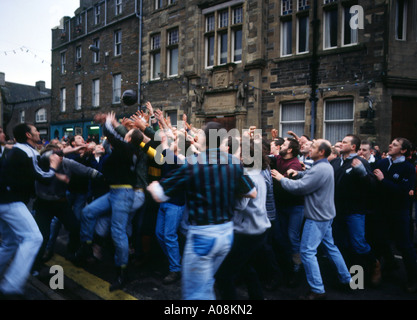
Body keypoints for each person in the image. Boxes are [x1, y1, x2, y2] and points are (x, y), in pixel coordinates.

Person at [147, 122, 257, 300]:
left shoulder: (193, 163)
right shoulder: (234, 163)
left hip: (203, 236)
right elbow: (252, 192)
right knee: (206, 283)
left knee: (196, 294)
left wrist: (153, 186)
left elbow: (159, 194)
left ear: (205, 139)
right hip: (226, 234)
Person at [271, 139, 352, 300]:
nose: (308, 148)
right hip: (326, 215)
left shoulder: (320, 168)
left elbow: (299, 188)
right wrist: (299, 173)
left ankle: (317, 290)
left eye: (313, 147)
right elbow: (308, 175)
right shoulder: (322, 166)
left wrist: (281, 178)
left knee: (307, 252)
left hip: (317, 217)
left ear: (321, 152)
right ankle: (347, 280)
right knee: (330, 247)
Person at [76, 112, 144, 292]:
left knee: (118, 232)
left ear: (129, 139)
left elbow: (113, 136)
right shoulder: (124, 150)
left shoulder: (128, 149)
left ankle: (122, 272)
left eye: (126, 135)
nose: (124, 136)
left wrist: (107, 120)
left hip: (123, 193)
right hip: (114, 191)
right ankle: (87, 248)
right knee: (88, 212)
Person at [0, 123, 61, 298]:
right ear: (28, 134)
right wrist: (55, 168)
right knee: (34, 238)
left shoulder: (22, 150)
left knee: (10, 242)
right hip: (11, 201)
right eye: (35, 131)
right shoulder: (24, 152)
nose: (38, 133)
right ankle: (11, 286)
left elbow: (43, 157)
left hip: (5, 200)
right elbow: (43, 176)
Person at [215, 138, 271, 300]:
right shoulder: (257, 173)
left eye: (241, 155)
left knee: (223, 275)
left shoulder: (248, 177)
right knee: (247, 268)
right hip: (259, 229)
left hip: (247, 232)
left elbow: (240, 205)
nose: (237, 157)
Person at [331, 134, 381, 285]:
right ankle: (351, 279)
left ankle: (375, 264)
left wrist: (363, 173)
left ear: (353, 147)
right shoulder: (335, 162)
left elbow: (372, 186)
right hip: (338, 211)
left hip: (355, 211)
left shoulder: (360, 162)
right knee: (342, 244)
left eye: (344, 143)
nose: (340, 144)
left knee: (358, 244)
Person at [373, 137, 417, 292]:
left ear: (403, 150)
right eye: (391, 143)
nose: (390, 145)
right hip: (382, 212)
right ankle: (387, 267)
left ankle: (412, 279)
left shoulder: (408, 168)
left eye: (395, 145)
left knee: (404, 246)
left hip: (399, 212)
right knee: (380, 241)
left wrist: (384, 180)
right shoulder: (382, 163)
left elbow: (404, 192)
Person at [272, 137, 304, 277]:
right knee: (282, 236)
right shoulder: (279, 158)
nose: (280, 146)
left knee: (292, 237)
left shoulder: (295, 165)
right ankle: (287, 265)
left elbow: (285, 186)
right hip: (281, 205)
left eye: (284, 144)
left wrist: (280, 178)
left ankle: (297, 265)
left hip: (295, 207)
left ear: (290, 150)